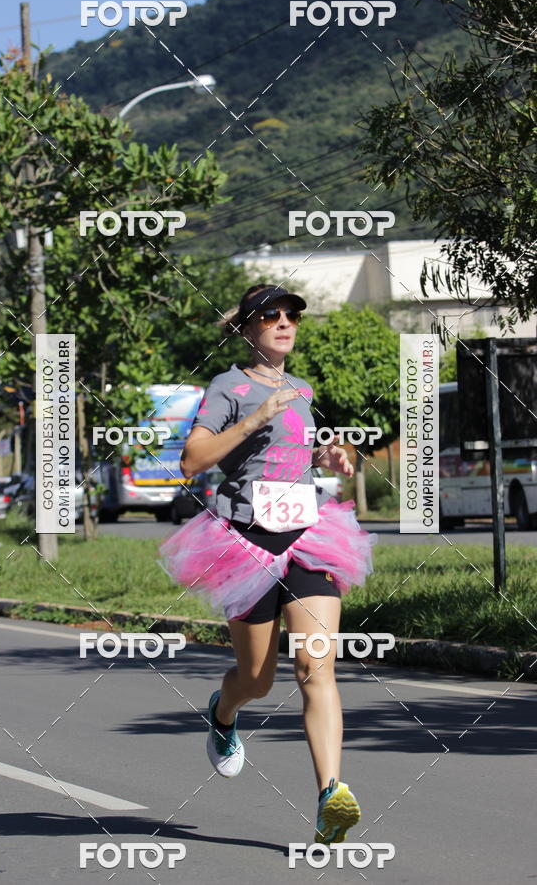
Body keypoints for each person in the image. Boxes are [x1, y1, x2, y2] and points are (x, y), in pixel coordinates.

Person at [158, 284, 377, 845]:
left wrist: (331, 455)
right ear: (246, 327)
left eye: (292, 315)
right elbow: (192, 460)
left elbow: (297, 457)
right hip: (244, 543)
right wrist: (254, 418)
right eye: (271, 315)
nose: (285, 322)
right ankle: (224, 712)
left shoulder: (301, 389)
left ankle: (332, 797)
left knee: (315, 667)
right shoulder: (226, 387)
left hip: (310, 538)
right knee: (257, 679)